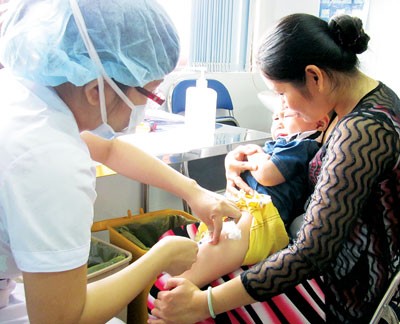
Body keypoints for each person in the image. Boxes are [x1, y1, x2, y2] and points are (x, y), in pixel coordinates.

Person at [149, 13, 400, 323]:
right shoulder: (350, 104)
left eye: (282, 93)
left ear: (314, 77)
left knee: (180, 291)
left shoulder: (363, 131)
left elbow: (312, 252)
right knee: (174, 254)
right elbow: (321, 173)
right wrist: (242, 161)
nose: (283, 107)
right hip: (311, 245)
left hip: (350, 285)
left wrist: (205, 304)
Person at [0, 1, 241, 323]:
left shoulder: (29, 99)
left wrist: (193, 190)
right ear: (96, 90)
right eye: (150, 94)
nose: (146, 108)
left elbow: (110, 151)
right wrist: (159, 257)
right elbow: (60, 318)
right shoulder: (49, 160)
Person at [176, 106, 330, 288]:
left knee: (223, 241)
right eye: (275, 118)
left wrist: (254, 153)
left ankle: (181, 284)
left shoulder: (302, 146)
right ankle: (181, 273)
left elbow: (267, 175)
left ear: (319, 123)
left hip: (265, 215)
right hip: (245, 207)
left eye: (286, 115)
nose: (278, 122)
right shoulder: (281, 145)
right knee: (209, 239)